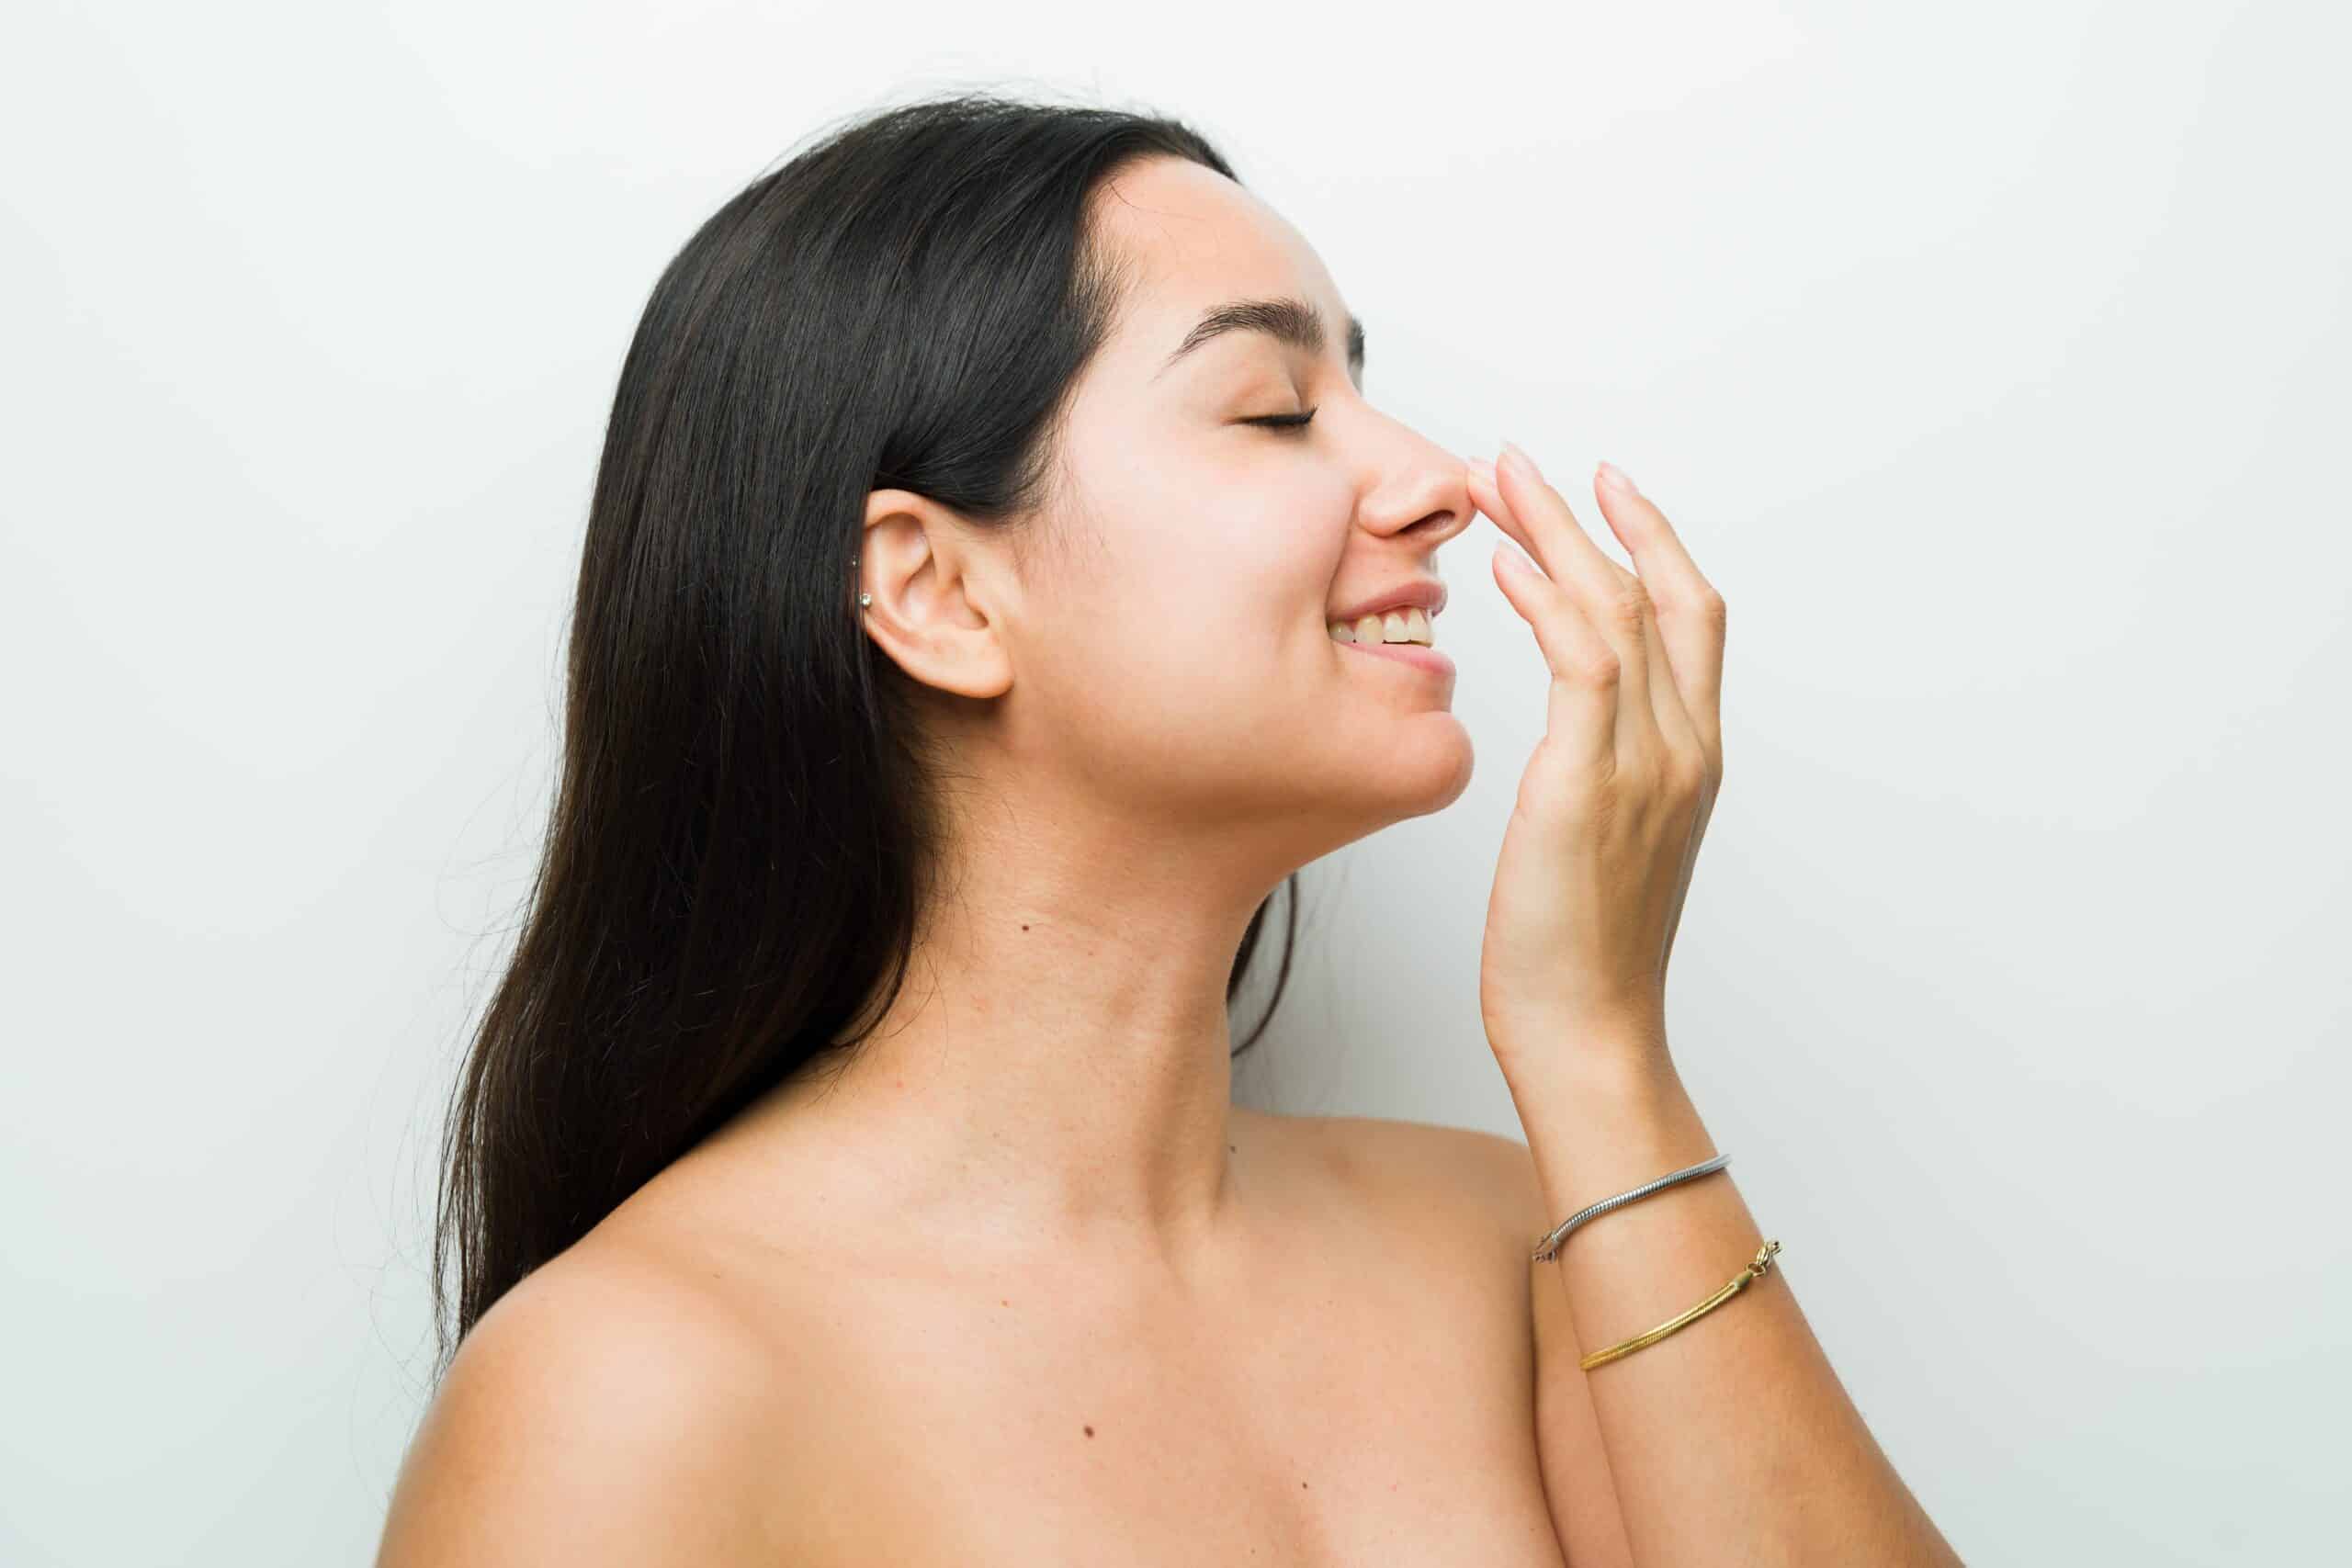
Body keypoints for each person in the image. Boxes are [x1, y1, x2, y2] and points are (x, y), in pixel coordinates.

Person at [376, 92, 1963, 1566]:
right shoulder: (629, 1392)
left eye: (1361, 386)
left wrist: (1598, 1043)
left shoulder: (1518, 1247)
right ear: (937, 591)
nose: (1433, 481)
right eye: (1276, 409)